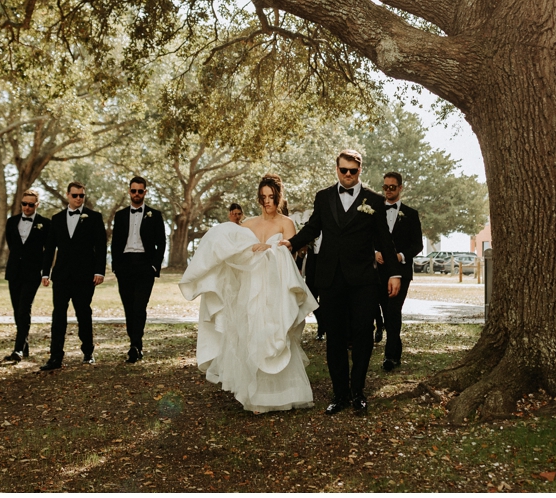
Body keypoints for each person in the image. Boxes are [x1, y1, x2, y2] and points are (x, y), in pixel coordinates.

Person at [179, 174, 318, 413]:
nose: (267, 202)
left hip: (275, 289)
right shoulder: (249, 224)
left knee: (274, 336)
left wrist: (271, 248)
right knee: (252, 334)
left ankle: (281, 394)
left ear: (278, 197)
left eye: (271, 197)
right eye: (263, 197)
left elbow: (291, 255)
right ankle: (254, 394)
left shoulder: (286, 224)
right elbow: (233, 248)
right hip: (251, 288)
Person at [282, 150, 401, 415]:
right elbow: (314, 227)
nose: (348, 175)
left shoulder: (375, 200)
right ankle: (339, 394)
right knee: (334, 337)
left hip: (364, 281)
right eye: (343, 170)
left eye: (353, 171)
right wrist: (292, 242)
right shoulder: (323, 197)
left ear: (360, 171)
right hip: (331, 278)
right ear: (337, 169)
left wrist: (394, 273)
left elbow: (385, 241)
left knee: (362, 336)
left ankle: (358, 392)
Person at [40, 182, 106, 371]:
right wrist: (46, 272)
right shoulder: (57, 219)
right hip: (61, 276)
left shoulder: (94, 218)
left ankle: (88, 352)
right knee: (58, 315)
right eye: (75, 195)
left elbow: (101, 246)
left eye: (81, 196)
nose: (78, 199)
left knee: (84, 313)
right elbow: (49, 248)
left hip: (85, 276)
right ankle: (55, 357)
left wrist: (99, 271)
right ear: (68, 195)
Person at [110, 176, 166, 364]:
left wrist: (154, 266)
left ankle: (135, 346)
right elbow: (116, 242)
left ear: (145, 192)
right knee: (128, 307)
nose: (136, 194)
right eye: (133, 191)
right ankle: (135, 344)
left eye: (140, 191)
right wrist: (116, 266)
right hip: (124, 265)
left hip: (145, 265)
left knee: (139, 306)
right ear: (129, 191)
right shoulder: (120, 215)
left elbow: (162, 242)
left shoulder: (155, 215)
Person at [375, 172, 423, 370]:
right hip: (378, 271)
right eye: (385, 187)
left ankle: (390, 357)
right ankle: (396, 350)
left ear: (400, 188)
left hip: (401, 272)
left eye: (392, 187)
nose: (388, 190)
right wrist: (375, 252)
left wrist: (400, 256)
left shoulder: (411, 214)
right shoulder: (374, 212)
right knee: (387, 313)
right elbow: (367, 238)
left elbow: (418, 245)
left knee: (394, 311)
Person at [3, 189, 49, 362]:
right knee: (17, 310)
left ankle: (18, 350)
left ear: (37, 205)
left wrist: (45, 272)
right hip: (14, 271)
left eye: (31, 204)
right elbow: (12, 245)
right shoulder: (11, 221)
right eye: (24, 204)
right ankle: (24, 345)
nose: (27, 207)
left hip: (32, 272)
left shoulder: (45, 224)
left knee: (24, 308)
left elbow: (47, 251)